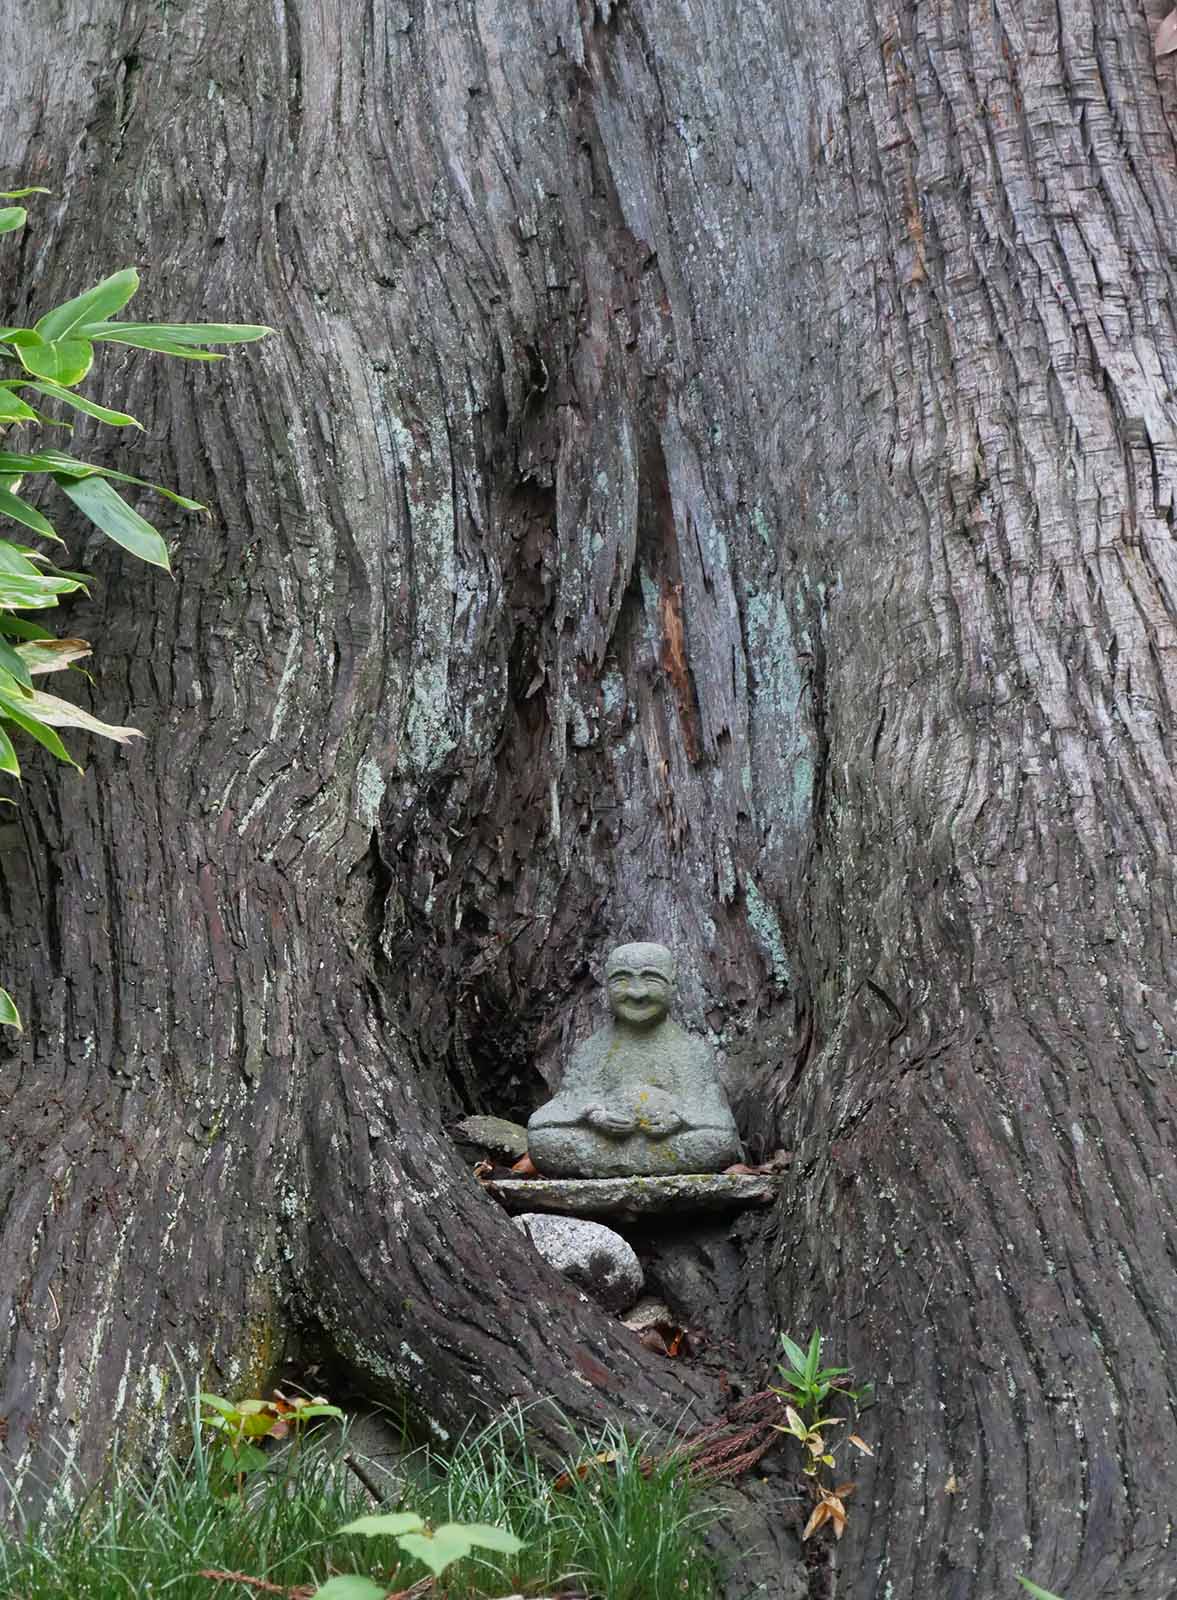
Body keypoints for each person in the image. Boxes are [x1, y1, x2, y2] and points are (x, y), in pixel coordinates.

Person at [527, 942, 743, 1177]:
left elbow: (713, 1114)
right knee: (542, 1139)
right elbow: (568, 1103)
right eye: (622, 980)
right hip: (605, 1142)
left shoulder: (691, 1050)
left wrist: (677, 1118)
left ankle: (622, 1163)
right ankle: (633, 1161)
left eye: (651, 980)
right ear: (607, 987)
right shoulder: (594, 1049)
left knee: (717, 1141)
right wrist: (596, 1114)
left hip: (667, 1142)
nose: (637, 993)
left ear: (672, 984)